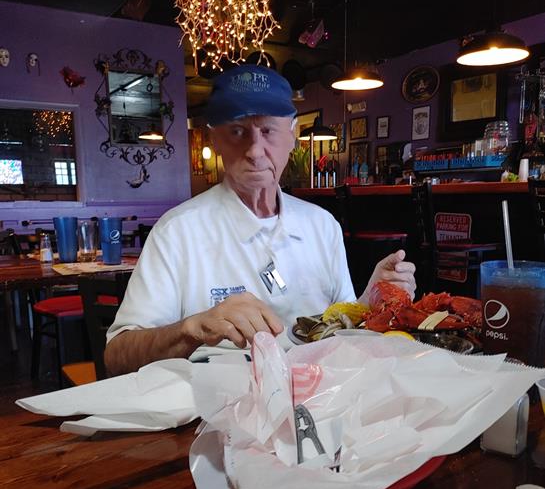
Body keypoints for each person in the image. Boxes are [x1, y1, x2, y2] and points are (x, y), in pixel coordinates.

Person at [104, 65, 415, 375]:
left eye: (267, 131)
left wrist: (372, 300)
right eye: (237, 131)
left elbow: (343, 329)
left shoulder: (322, 226)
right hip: (216, 409)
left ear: (292, 135)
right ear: (215, 139)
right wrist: (192, 328)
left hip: (321, 399)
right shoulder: (177, 232)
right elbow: (117, 355)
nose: (254, 150)